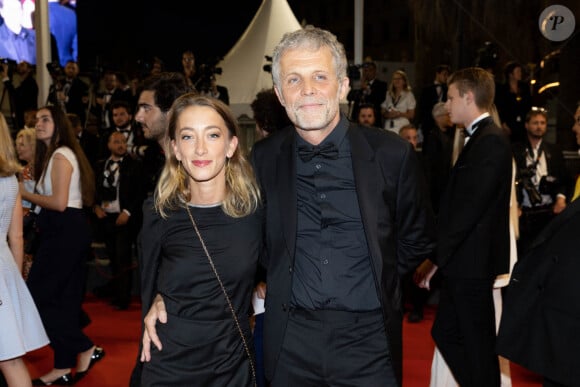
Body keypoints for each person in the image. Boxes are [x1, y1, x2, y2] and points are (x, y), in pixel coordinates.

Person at [143, 26, 435, 387]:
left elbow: (417, 238)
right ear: (281, 94)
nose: (307, 90)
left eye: (319, 77)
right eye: (294, 80)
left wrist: (379, 275)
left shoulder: (392, 154)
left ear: (343, 86)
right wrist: (163, 294)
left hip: (370, 342)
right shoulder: (263, 158)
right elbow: (227, 229)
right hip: (290, 343)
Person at [138, 94, 262, 386]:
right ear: (175, 149)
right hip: (169, 360)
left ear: (232, 145)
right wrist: (157, 297)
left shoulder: (256, 214)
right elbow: (148, 281)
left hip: (231, 362)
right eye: (188, 137)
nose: (201, 148)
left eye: (213, 135)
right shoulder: (159, 214)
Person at [421, 67, 512, 387]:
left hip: (473, 264)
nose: (447, 104)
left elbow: (468, 209)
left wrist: (435, 258)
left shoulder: (491, 140)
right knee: (449, 333)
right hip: (464, 262)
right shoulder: (482, 139)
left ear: (469, 98)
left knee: (478, 343)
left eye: (451, 97)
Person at [20, 105, 104, 385]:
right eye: (37, 119)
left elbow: (57, 203)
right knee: (63, 302)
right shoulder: (55, 156)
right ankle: (62, 365)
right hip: (64, 230)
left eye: (45, 119)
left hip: (64, 230)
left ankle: (83, 347)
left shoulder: (61, 154)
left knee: (38, 299)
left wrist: (21, 191)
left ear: (59, 125)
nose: (38, 123)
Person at [0, 113, 49, 387]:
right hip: (5, 266)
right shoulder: (11, 179)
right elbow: (17, 237)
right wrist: (16, 282)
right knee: (10, 357)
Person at [93, 131, 144, 310]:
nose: (121, 144)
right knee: (113, 257)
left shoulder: (135, 165)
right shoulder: (101, 165)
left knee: (123, 257)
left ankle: (124, 298)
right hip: (106, 217)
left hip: (126, 217)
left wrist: (128, 212)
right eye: (116, 142)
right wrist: (96, 207)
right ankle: (115, 293)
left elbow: (141, 192)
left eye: (123, 141)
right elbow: (93, 189)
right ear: (108, 145)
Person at [512, 107, 571, 257]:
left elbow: (564, 179)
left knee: (545, 254)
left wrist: (561, 199)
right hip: (523, 214)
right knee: (524, 254)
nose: (539, 126)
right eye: (535, 123)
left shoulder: (554, 150)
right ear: (526, 125)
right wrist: (514, 206)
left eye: (543, 123)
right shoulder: (516, 150)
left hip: (548, 212)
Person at [349, 60, 387, 127]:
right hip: (358, 118)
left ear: (375, 71)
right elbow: (349, 97)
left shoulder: (381, 85)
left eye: (370, 70)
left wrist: (367, 89)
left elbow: (380, 99)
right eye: (365, 71)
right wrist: (359, 88)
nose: (368, 73)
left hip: (373, 119)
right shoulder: (359, 84)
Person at [417, 64, 450, 139]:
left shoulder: (448, 90)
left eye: (447, 75)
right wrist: (421, 123)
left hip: (443, 123)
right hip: (428, 123)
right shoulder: (426, 89)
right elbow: (422, 107)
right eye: (444, 74)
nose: (446, 77)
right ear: (437, 74)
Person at [381, 69, 416, 134]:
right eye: (394, 79)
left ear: (404, 81)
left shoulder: (409, 95)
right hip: (389, 125)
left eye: (399, 79)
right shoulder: (388, 94)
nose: (396, 81)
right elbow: (382, 112)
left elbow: (411, 115)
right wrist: (388, 115)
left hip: (403, 125)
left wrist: (399, 114)